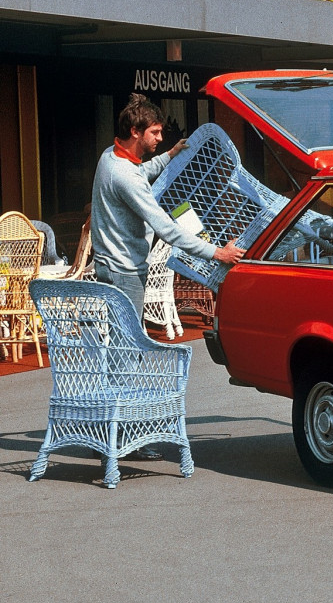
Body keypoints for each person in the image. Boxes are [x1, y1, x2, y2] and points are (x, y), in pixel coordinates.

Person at [92, 94, 245, 458]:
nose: (160, 137)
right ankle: (122, 438)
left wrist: (169, 156)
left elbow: (138, 172)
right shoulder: (126, 178)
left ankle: (112, 434)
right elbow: (166, 226)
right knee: (127, 357)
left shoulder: (109, 159)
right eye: (155, 132)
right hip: (124, 274)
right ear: (135, 131)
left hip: (111, 269)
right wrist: (217, 252)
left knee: (122, 353)